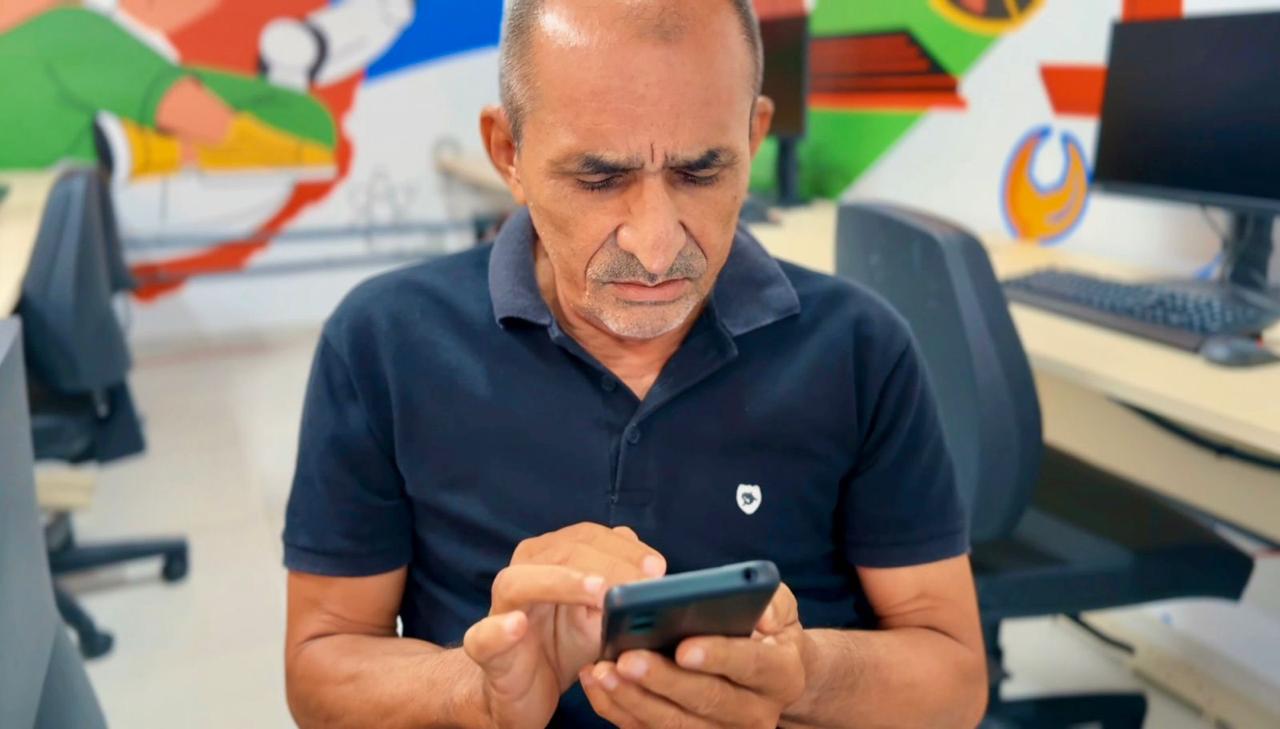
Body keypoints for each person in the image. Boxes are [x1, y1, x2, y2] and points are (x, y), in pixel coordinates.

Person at [282, 1, 988, 727]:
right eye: (598, 179)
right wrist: (476, 692)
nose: (655, 248)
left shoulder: (860, 350)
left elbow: (955, 682)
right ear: (509, 152)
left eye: (701, 172)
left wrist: (803, 675)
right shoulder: (384, 343)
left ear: (753, 137)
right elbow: (322, 664)